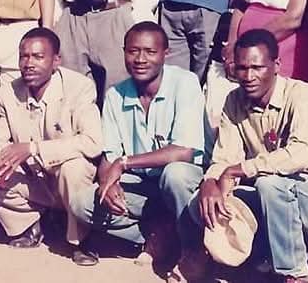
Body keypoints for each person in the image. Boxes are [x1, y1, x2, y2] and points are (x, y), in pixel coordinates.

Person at [183, 29, 308, 283]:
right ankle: (251, 259)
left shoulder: (301, 94)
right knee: (203, 203)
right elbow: (224, 157)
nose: (249, 76)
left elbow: (300, 154)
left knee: (270, 185)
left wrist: (240, 169)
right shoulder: (233, 100)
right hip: (273, 196)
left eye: (257, 67)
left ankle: (295, 274)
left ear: (276, 66)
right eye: (242, 68)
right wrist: (210, 181)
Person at [69, 22, 207, 264]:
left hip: (185, 186)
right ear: (124, 52)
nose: (140, 59)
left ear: (166, 54)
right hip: (144, 186)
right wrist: (108, 183)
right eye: (133, 51)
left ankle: (192, 248)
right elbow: (110, 156)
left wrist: (124, 163)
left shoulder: (185, 83)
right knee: (82, 203)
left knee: (175, 174)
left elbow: (184, 151)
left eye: (150, 52)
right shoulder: (115, 95)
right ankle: (157, 235)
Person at [0, 28, 102, 266]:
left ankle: (81, 241)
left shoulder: (79, 87)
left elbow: (93, 142)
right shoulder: (8, 92)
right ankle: (30, 225)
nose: (29, 64)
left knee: (74, 168)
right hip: (37, 179)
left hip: (68, 177)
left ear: (56, 61)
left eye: (38, 57)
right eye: (24, 57)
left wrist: (33, 148)